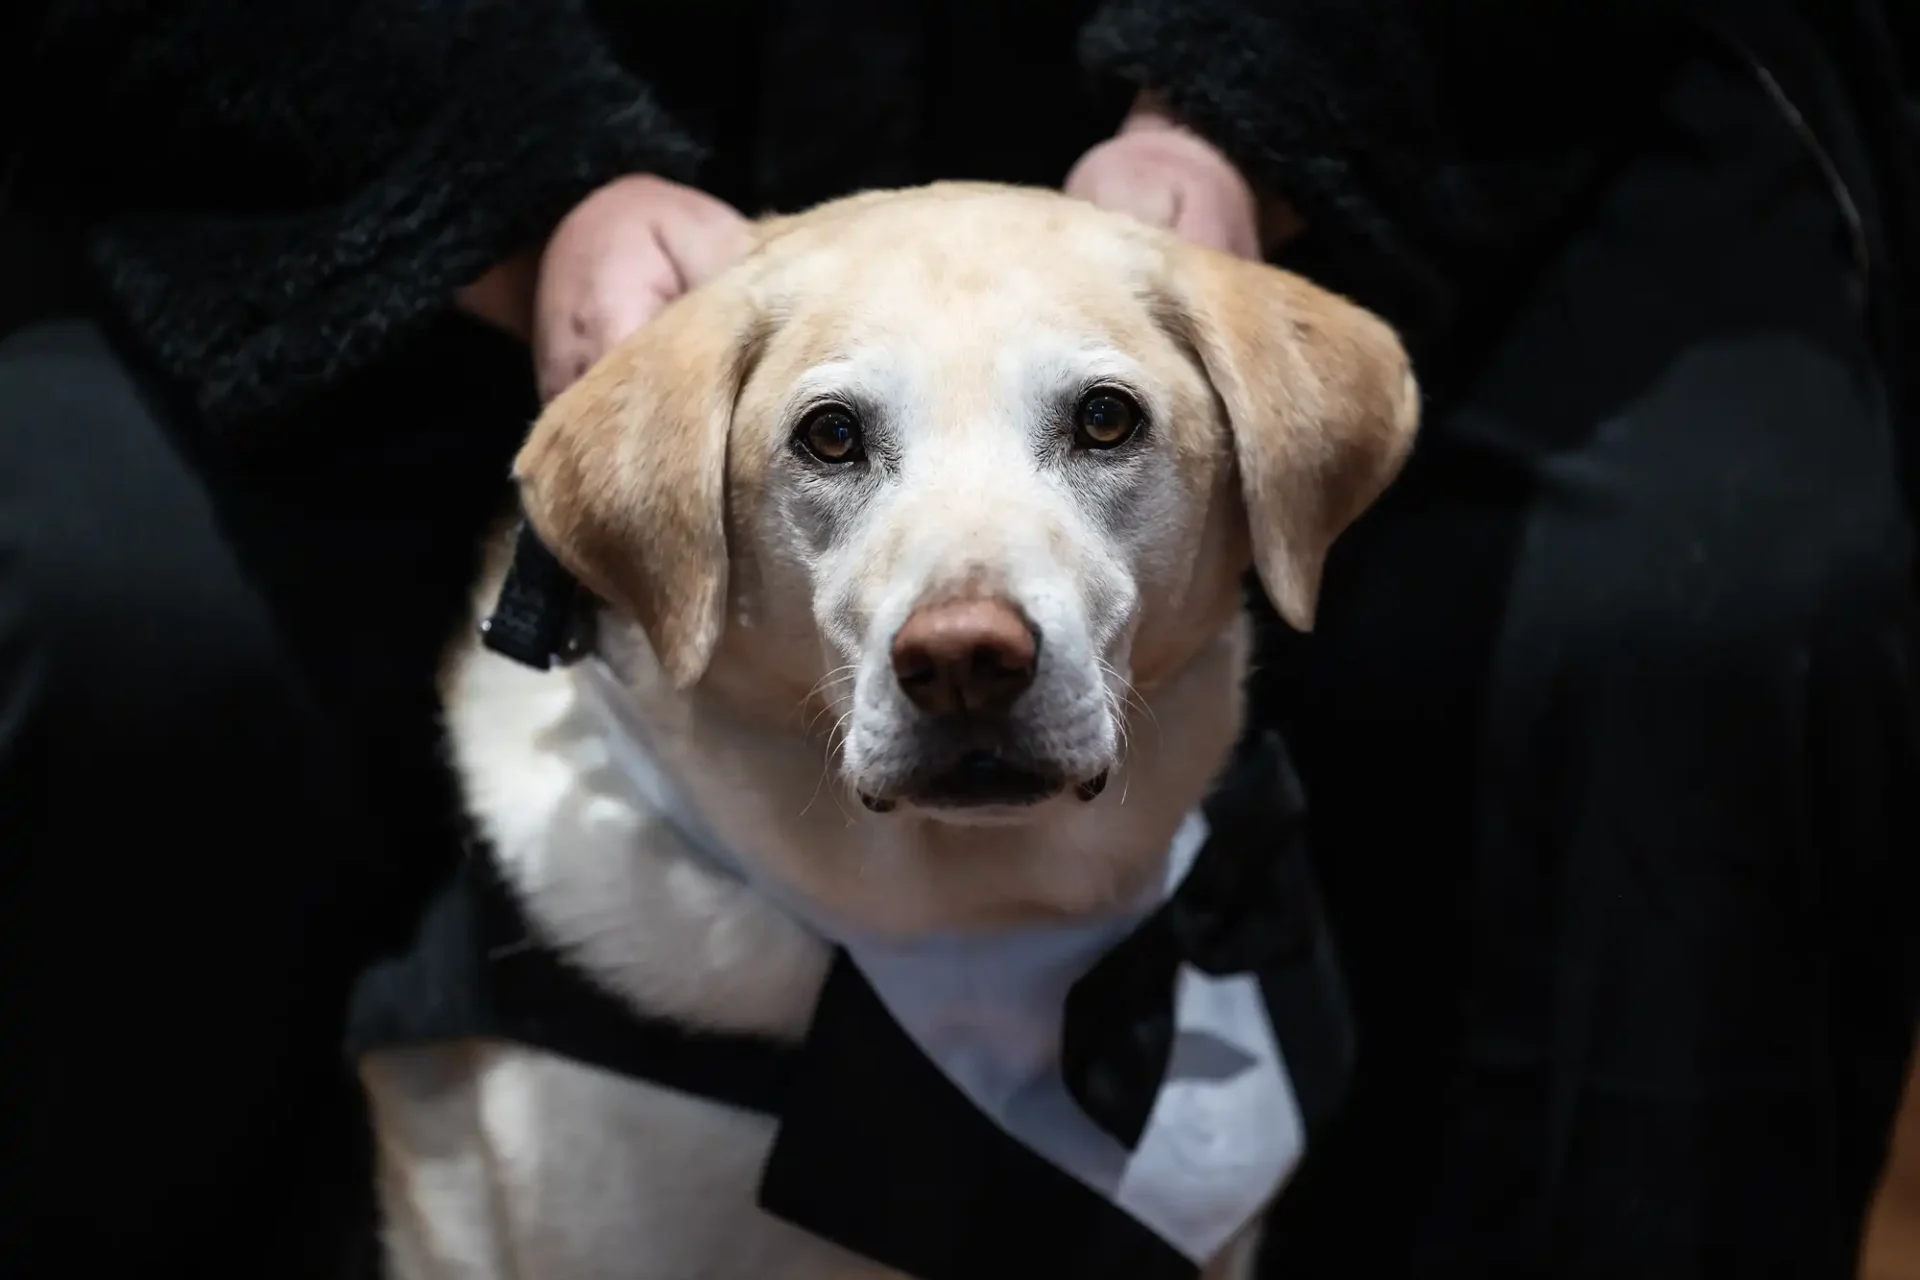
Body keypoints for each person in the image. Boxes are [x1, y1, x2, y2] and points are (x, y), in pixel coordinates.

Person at [1, 2, 1913, 1277]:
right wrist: (512, 192)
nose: (967, 635)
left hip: (1386, 87)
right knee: (85, 595)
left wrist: (1249, 121)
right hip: (435, 110)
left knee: (1722, 600)